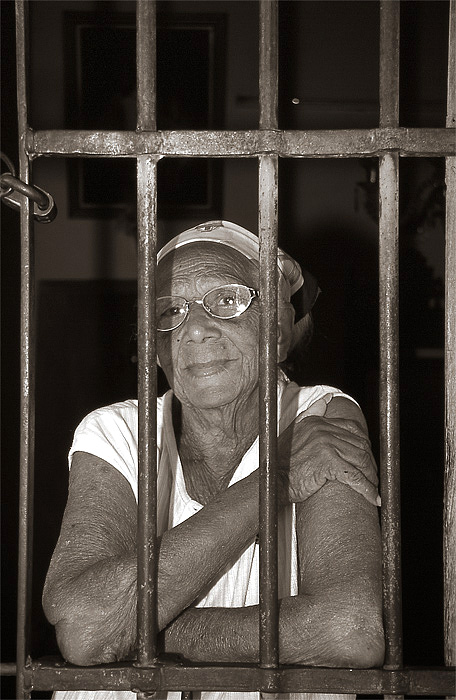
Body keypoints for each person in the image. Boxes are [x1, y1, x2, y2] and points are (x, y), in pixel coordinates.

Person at [43, 221, 384, 700]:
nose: (196, 329)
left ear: (278, 331)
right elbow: (84, 625)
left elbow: (350, 629)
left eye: (228, 300)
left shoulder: (321, 415)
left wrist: (139, 631)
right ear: (155, 349)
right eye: (171, 310)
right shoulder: (118, 430)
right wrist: (278, 475)